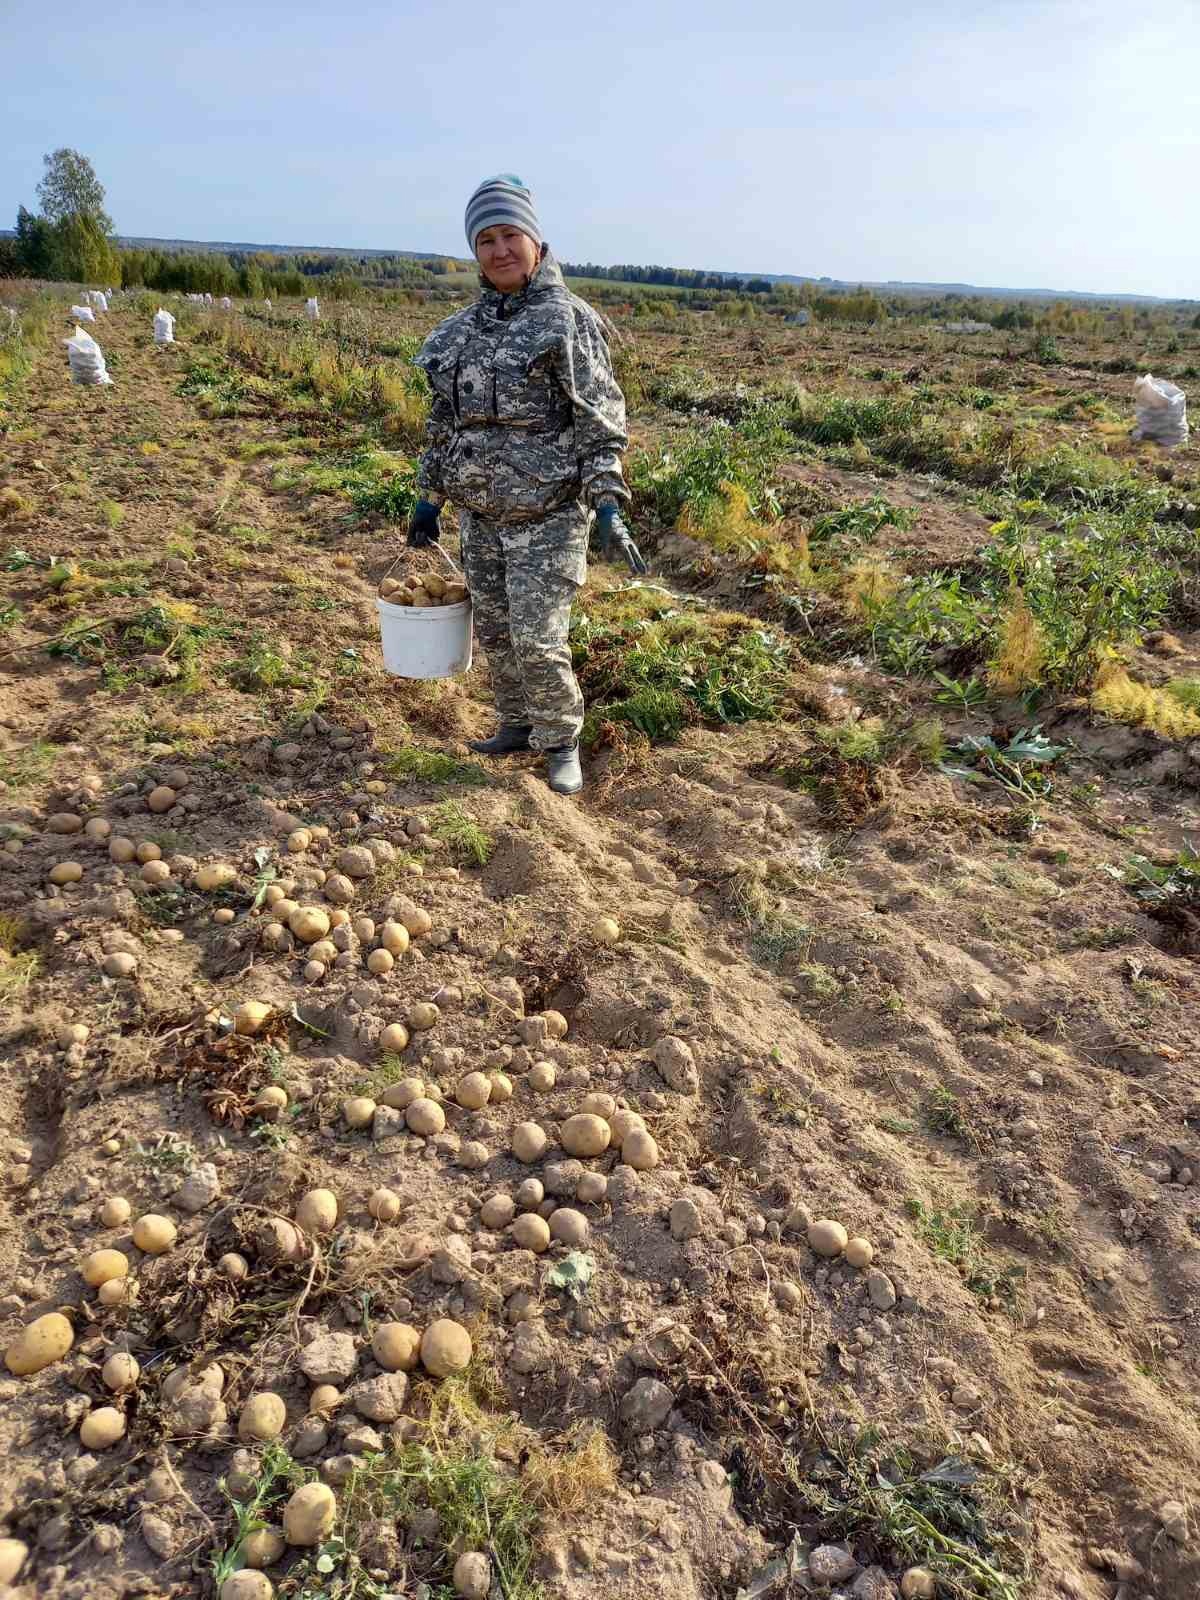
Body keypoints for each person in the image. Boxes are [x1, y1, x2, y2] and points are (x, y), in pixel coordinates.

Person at [408, 174, 645, 796]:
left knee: (540, 639)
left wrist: (608, 504)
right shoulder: (459, 331)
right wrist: (430, 496)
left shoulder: (567, 321)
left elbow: (599, 419)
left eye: (510, 234)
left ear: (536, 241)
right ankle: (515, 724)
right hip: (481, 516)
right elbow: (442, 422)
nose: (499, 249)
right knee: (494, 630)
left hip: (547, 514)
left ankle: (561, 740)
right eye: (485, 239)